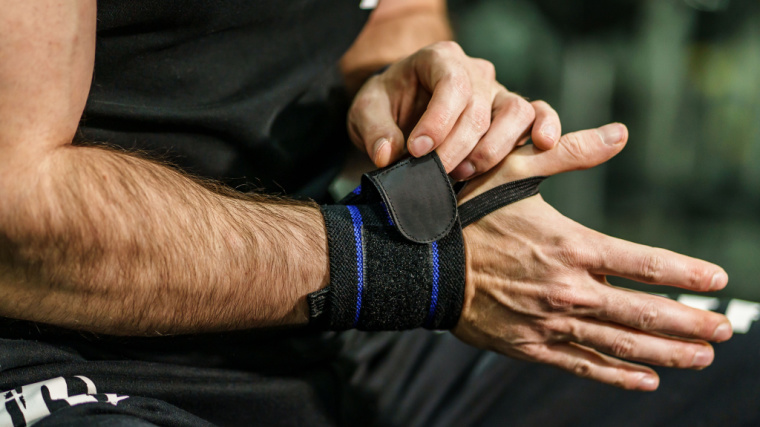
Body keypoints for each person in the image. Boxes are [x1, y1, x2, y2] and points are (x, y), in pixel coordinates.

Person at [0, 1, 756, 426]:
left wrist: (420, 99)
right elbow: (14, 216)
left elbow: (394, 18)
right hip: (58, 352)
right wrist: (414, 267)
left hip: (329, 326)